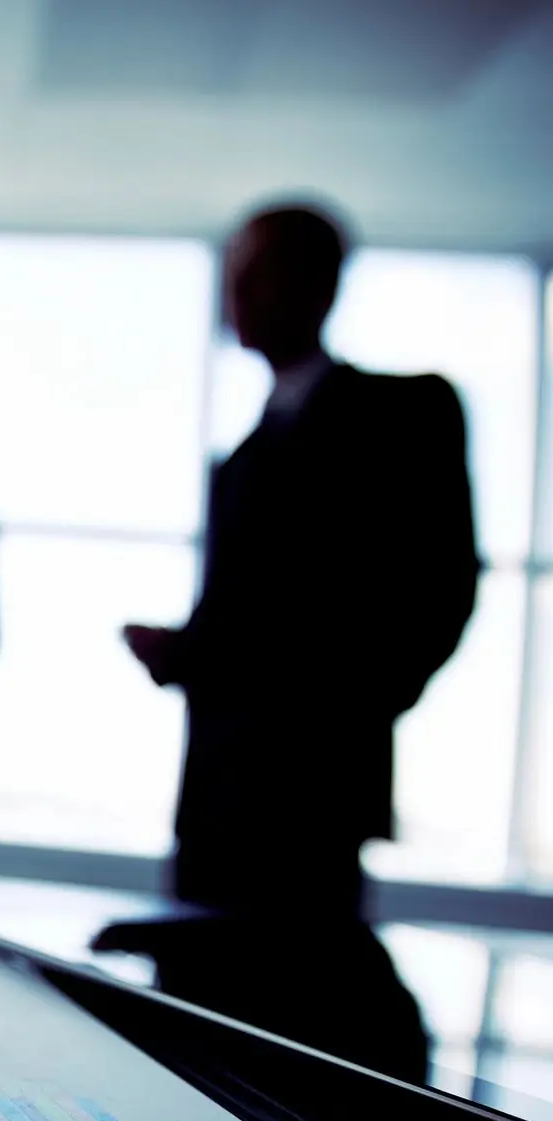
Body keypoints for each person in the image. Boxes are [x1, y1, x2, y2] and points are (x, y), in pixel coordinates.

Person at [124, 202, 479, 920]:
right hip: (213, 804)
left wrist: (341, 714)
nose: (238, 296)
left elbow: (441, 590)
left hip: (317, 801)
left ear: (320, 286)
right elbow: (244, 621)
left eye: (257, 276)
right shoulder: (238, 462)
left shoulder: (407, 414)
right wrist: (182, 653)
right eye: (233, 277)